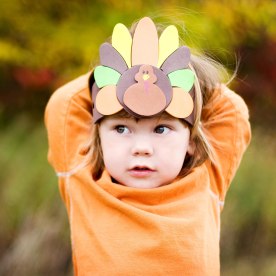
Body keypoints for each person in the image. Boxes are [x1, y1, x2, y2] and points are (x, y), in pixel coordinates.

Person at [45, 17, 251, 275]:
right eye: (121, 128)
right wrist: (118, 70)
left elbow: (232, 109)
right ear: (99, 137)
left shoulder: (208, 180)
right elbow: (63, 104)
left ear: (193, 142)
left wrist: (171, 71)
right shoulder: (82, 178)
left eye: (161, 129)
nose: (141, 148)